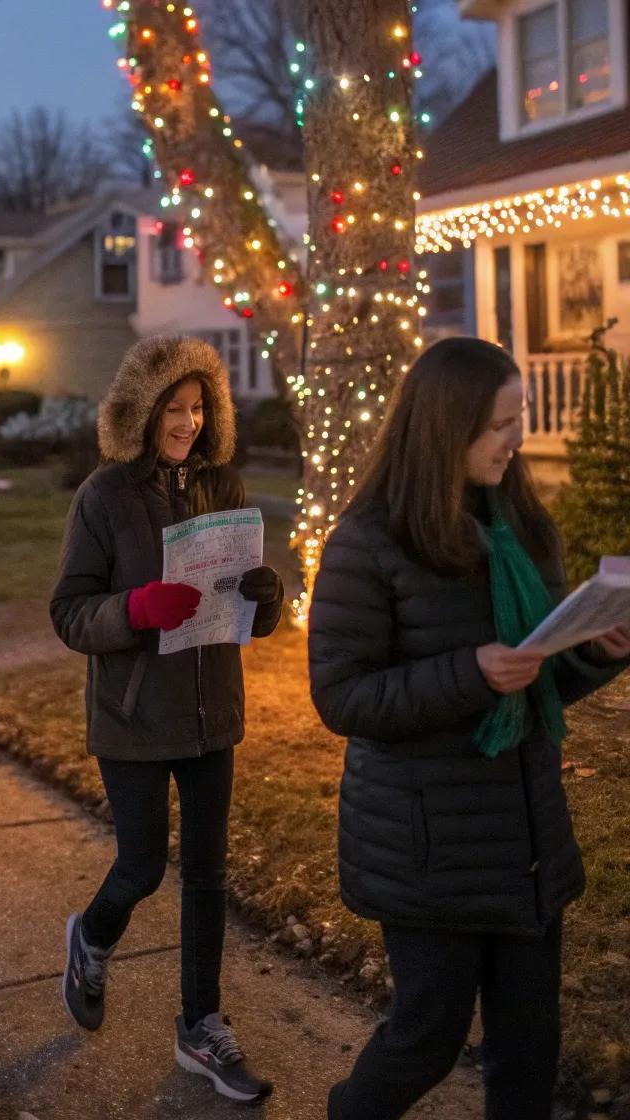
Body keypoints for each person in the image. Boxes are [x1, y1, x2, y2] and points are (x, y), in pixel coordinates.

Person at [309, 336, 630, 1120]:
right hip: (428, 849)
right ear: (446, 428)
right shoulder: (368, 541)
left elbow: (539, 673)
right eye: (499, 425)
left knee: (529, 1049)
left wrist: (597, 651)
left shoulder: (519, 522)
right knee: (428, 1036)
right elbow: (342, 697)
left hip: (525, 842)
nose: (516, 439)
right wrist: (469, 673)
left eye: (518, 418)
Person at [51, 336, 284, 1103]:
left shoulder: (223, 483)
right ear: (142, 412)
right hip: (134, 713)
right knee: (143, 866)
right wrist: (136, 608)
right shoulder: (105, 496)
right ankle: (92, 937)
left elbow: (243, 607)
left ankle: (200, 1026)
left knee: (209, 874)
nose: (186, 423)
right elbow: (70, 613)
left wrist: (265, 597)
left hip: (211, 706)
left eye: (198, 408)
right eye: (172, 409)